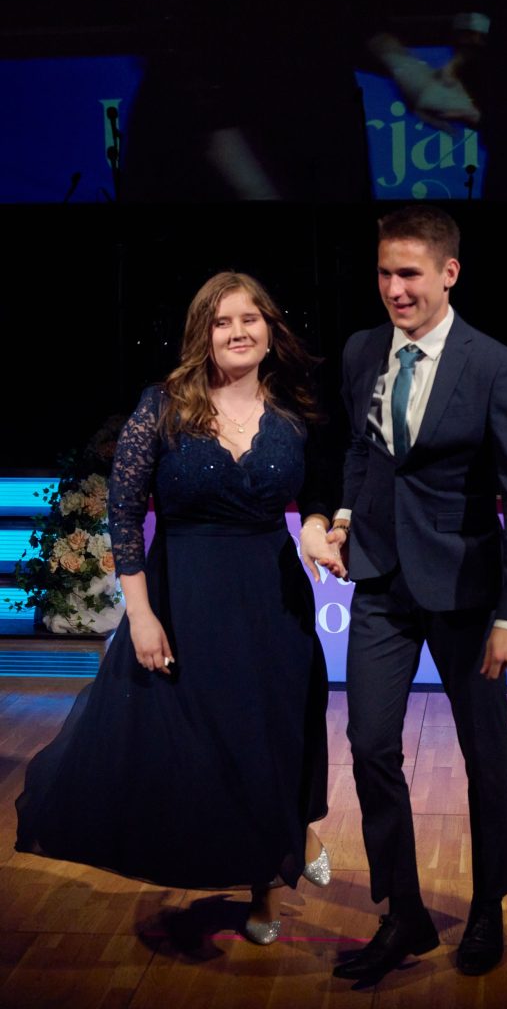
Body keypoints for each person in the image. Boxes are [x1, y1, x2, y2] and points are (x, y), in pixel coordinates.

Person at [15, 270, 342, 945]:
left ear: (269, 329)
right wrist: (139, 614)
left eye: (249, 318)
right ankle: (262, 845)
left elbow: (319, 489)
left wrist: (314, 525)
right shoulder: (163, 406)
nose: (238, 332)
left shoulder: (293, 410)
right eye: (222, 322)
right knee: (200, 744)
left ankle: (268, 885)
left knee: (273, 732)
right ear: (203, 335)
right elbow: (124, 511)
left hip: (272, 597)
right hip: (185, 593)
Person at [326, 204, 507, 981]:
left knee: (483, 754)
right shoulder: (362, 350)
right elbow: (360, 448)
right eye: (384, 273)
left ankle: (487, 906)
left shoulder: (493, 365)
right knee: (368, 745)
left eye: (409, 273)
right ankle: (404, 913)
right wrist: (345, 516)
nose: (394, 288)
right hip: (380, 580)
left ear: (448, 272)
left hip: (466, 591)